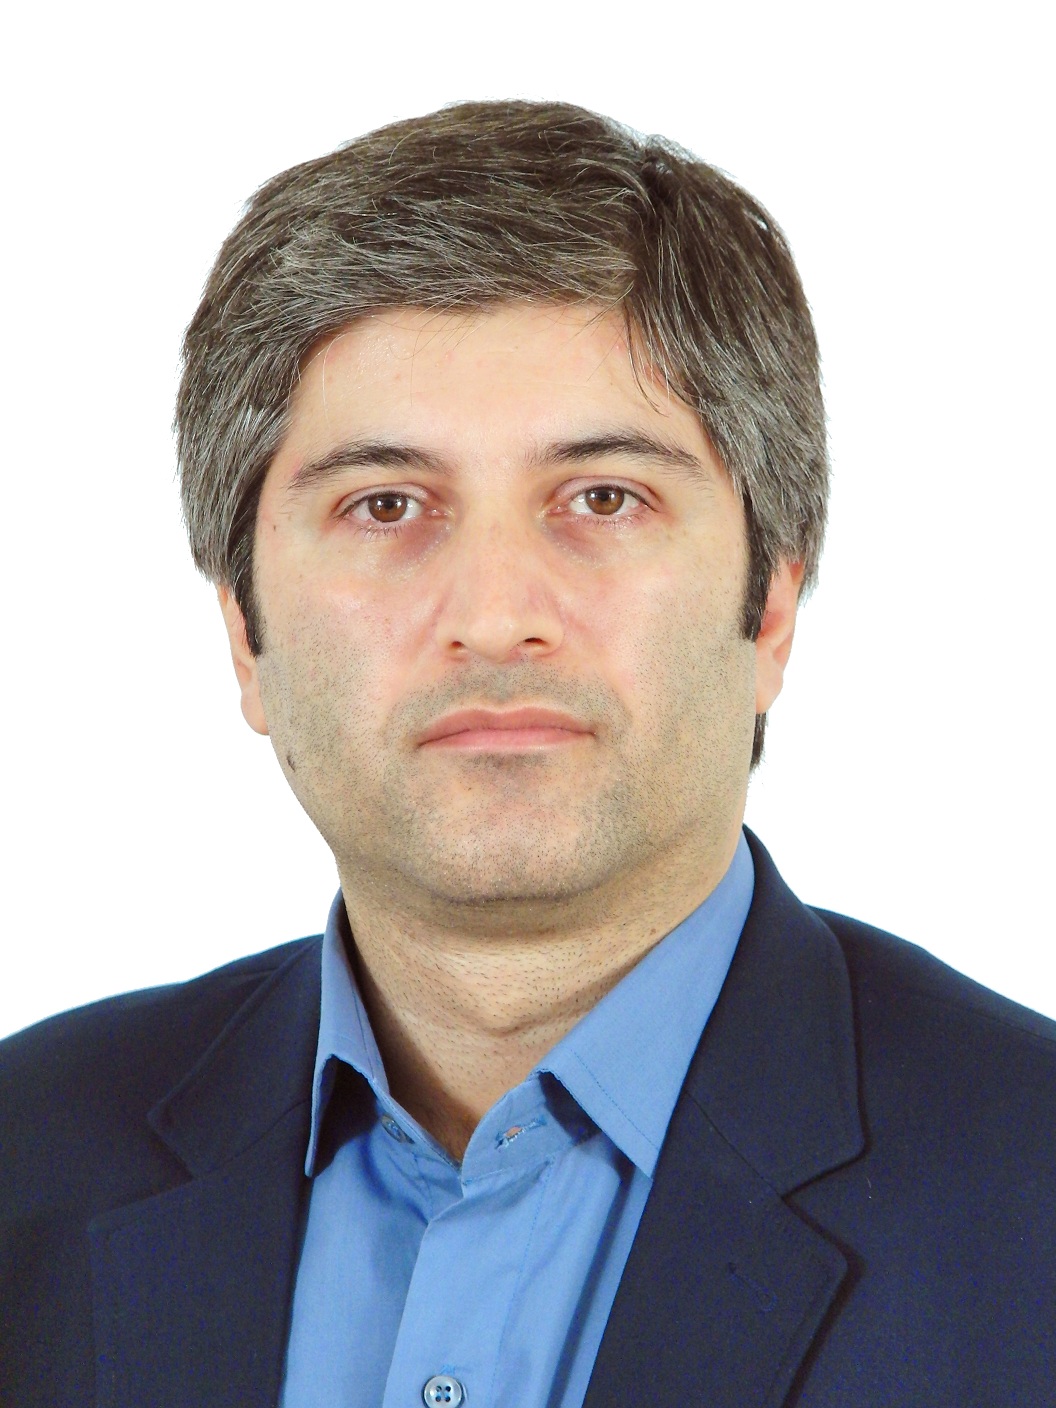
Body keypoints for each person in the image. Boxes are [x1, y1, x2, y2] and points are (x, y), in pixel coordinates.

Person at [1, 99, 1054, 1408]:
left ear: (773, 605)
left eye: (603, 497)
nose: (497, 615)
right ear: (244, 633)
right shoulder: (25, 1155)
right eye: (386, 504)